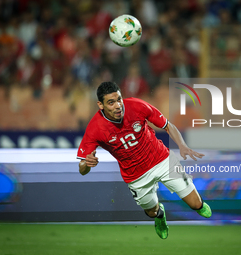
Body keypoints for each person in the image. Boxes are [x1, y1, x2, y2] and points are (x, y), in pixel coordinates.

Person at [77, 81, 211, 239]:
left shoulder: (137, 106)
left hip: (161, 159)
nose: (118, 105)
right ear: (101, 105)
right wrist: (87, 163)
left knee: (196, 205)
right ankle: (160, 215)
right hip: (135, 175)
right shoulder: (95, 128)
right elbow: (82, 169)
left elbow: (168, 126)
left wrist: (182, 145)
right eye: (111, 103)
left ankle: (198, 203)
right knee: (151, 212)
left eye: (119, 99)